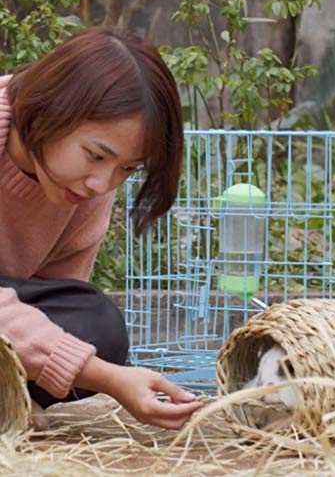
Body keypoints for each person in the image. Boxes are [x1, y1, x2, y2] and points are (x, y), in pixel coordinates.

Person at [0, 27, 204, 429]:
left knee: (98, 328)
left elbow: (55, 302)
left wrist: (95, 363)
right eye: (95, 155)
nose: (102, 184)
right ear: (50, 109)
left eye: (127, 168)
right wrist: (105, 378)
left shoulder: (84, 189)